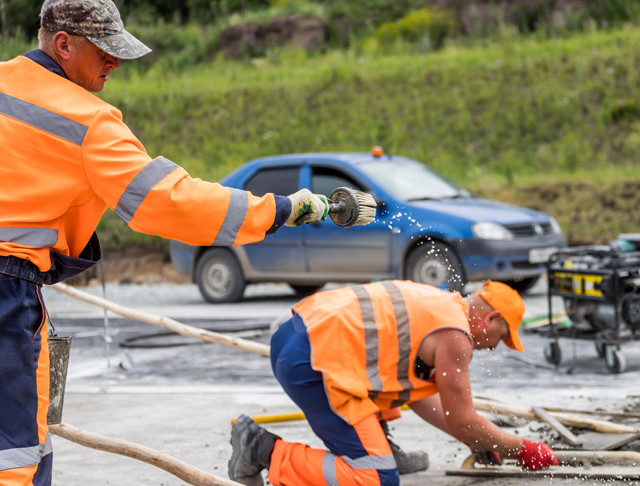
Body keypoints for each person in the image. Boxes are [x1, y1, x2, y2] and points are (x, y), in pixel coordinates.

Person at [0, 1, 329, 484]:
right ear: (64, 44)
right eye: (104, 51)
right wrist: (281, 209)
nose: (115, 63)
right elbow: (171, 201)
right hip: (8, 290)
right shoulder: (87, 121)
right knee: (14, 455)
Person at [229, 280, 559, 486]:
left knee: (399, 385)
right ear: (492, 319)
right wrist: (522, 448)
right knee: (376, 478)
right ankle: (265, 451)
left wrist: (478, 441)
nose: (495, 346)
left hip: (296, 335)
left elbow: (418, 398)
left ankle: (381, 447)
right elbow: (463, 417)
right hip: (315, 364)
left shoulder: (441, 304)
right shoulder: (456, 338)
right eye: (502, 337)